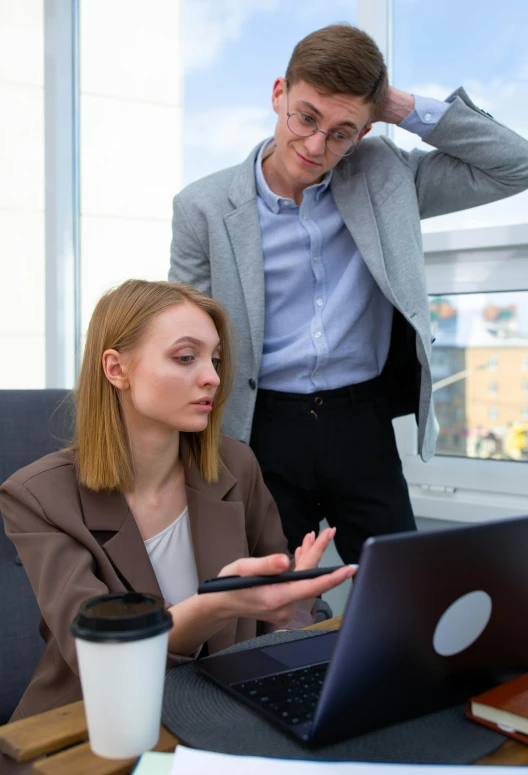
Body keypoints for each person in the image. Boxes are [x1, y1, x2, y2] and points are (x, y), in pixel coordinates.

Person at [169, 24, 528, 563]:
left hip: (362, 425)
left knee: (406, 594)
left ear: (363, 132)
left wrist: (399, 107)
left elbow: (515, 164)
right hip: (259, 428)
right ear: (278, 94)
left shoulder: (385, 176)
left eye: (341, 132)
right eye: (306, 117)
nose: (316, 146)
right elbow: (183, 337)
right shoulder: (202, 207)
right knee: (266, 606)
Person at [0, 280, 354, 721]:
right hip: (93, 729)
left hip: (222, 714)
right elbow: (100, 660)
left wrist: (293, 605)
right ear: (116, 369)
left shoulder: (236, 465)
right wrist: (216, 606)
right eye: (186, 358)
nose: (212, 377)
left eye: (215, 359)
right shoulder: (37, 496)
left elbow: (278, 619)